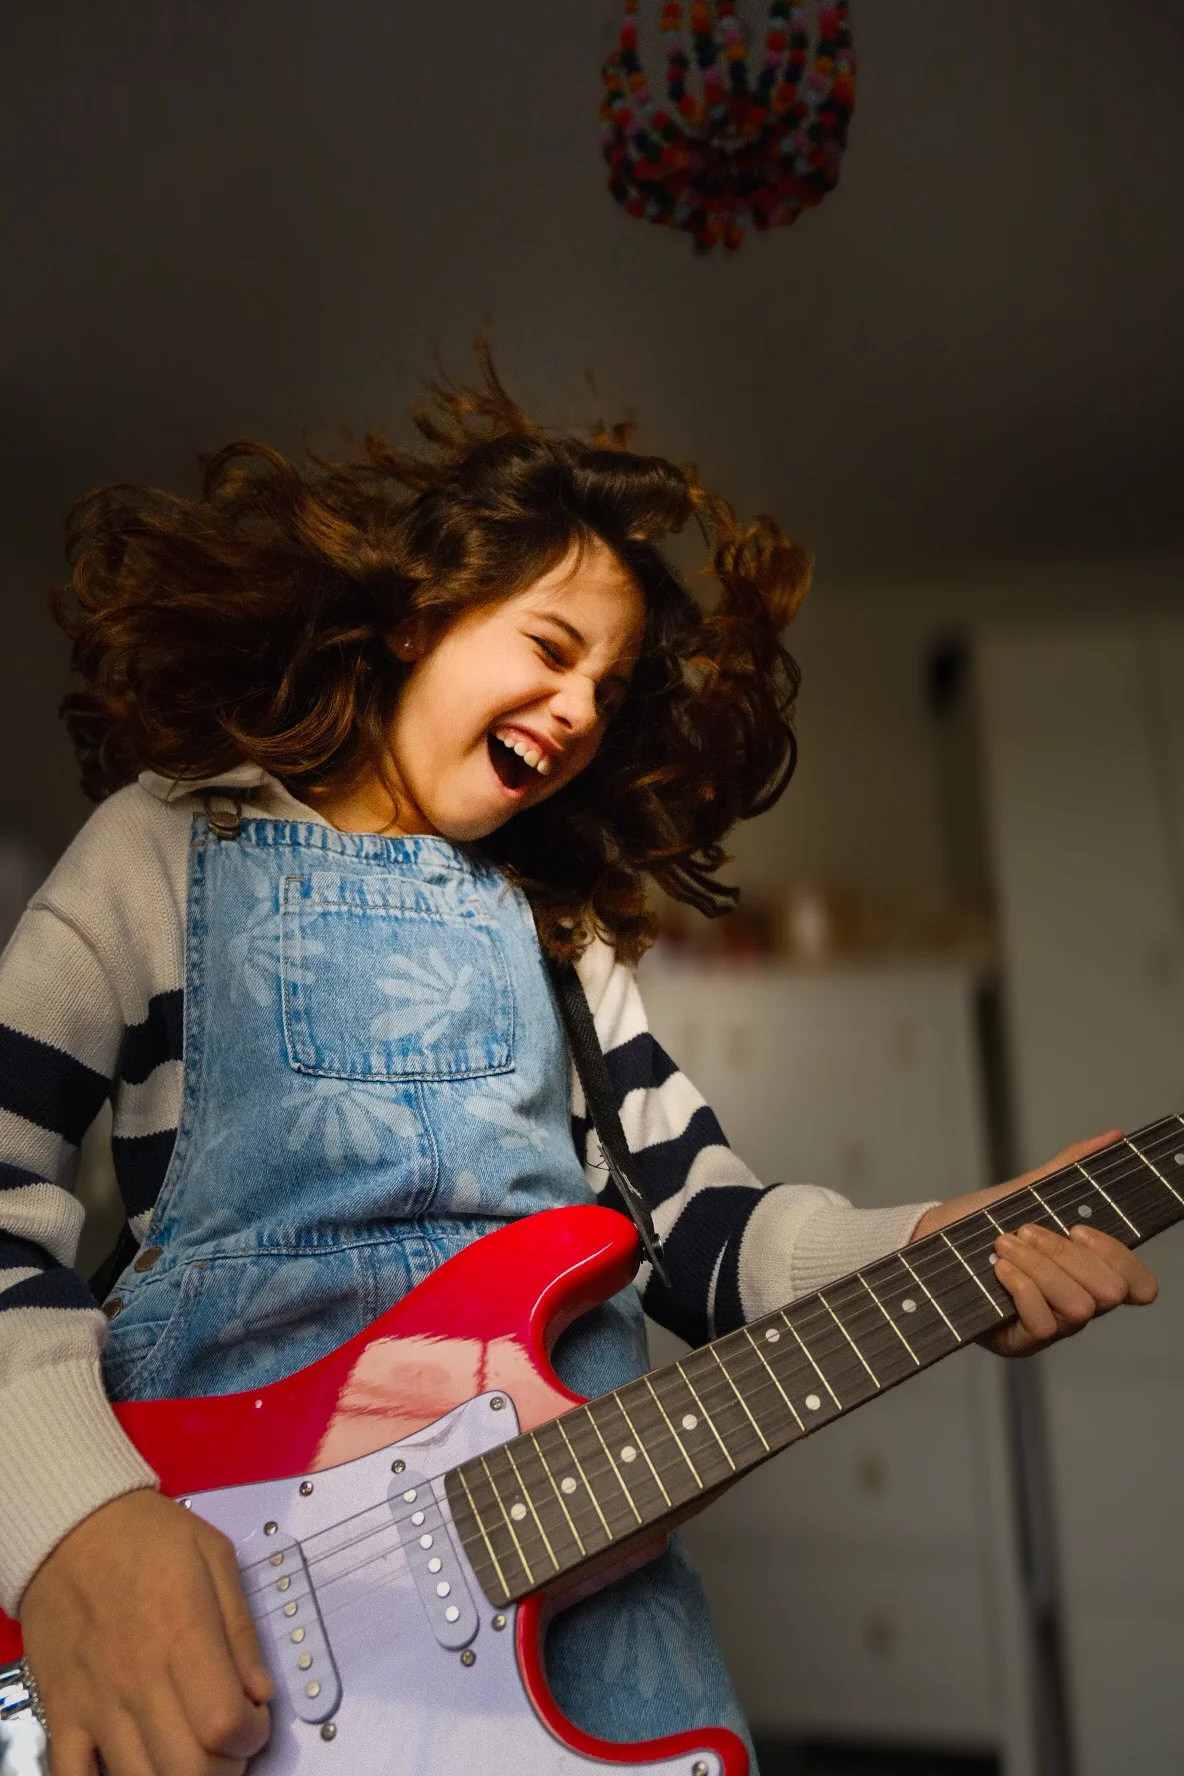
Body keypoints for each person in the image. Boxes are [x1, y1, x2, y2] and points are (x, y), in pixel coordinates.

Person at [0, 352, 1158, 1776]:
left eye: (606, 690)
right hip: (216, 1605)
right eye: (552, 650)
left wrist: (938, 1243)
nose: (579, 710)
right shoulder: (168, 843)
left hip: (591, 1596)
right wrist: (74, 1519)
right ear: (419, 613)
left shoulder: (562, 939)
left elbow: (709, 1233)